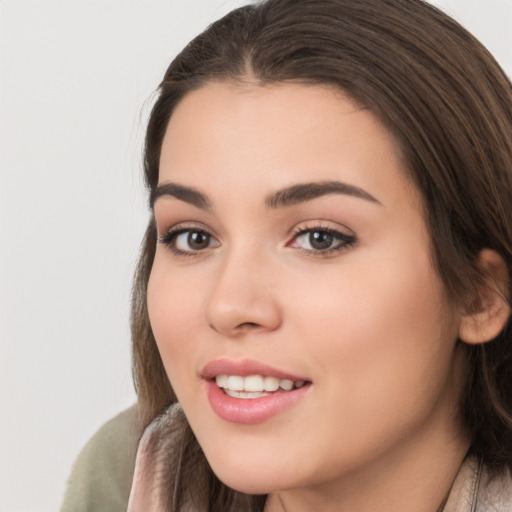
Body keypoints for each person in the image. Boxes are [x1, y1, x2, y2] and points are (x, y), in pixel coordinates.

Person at [61, 0, 512, 510]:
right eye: (193, 237)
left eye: (319, 238)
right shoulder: (119, 480)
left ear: (480, 294)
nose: (228, 306)